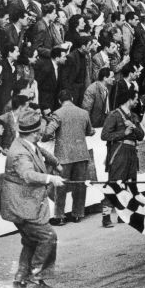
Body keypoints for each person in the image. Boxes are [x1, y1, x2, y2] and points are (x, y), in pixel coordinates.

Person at [0, 109, 65, 288]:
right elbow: (27, 174)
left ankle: (20, 280)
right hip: (22, 206)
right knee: (47, 237)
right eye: (40, 130)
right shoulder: (20, 153)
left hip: (22, 204)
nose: (42, 132)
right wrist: (50, 179)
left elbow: (39, 150)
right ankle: (35, 278)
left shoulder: (24, 142)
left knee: (30, 240)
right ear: (35, 133)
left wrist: (54, 162)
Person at [42, 90, 95, 225]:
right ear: (71, 98)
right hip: (81, 154)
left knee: (60, 186)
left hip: (64, 155)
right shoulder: (84, 113)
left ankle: (60, 216)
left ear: (60, 101)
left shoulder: (58, 114)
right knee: (80, 185)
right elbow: (90, 131)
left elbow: (47, 133)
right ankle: (77, 214)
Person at [100, 88, 144, 228]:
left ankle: (121, 214)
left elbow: (141, 135)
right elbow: (104, 136)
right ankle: (106, 217)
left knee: (128, 184)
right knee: (115, 184)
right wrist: (123, 133)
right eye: (136, 99)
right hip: (119, 152)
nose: (137, 101)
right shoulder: (114, 115)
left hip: (131, 152)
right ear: (129, 99)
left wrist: (133, 127)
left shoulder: (134, 116)